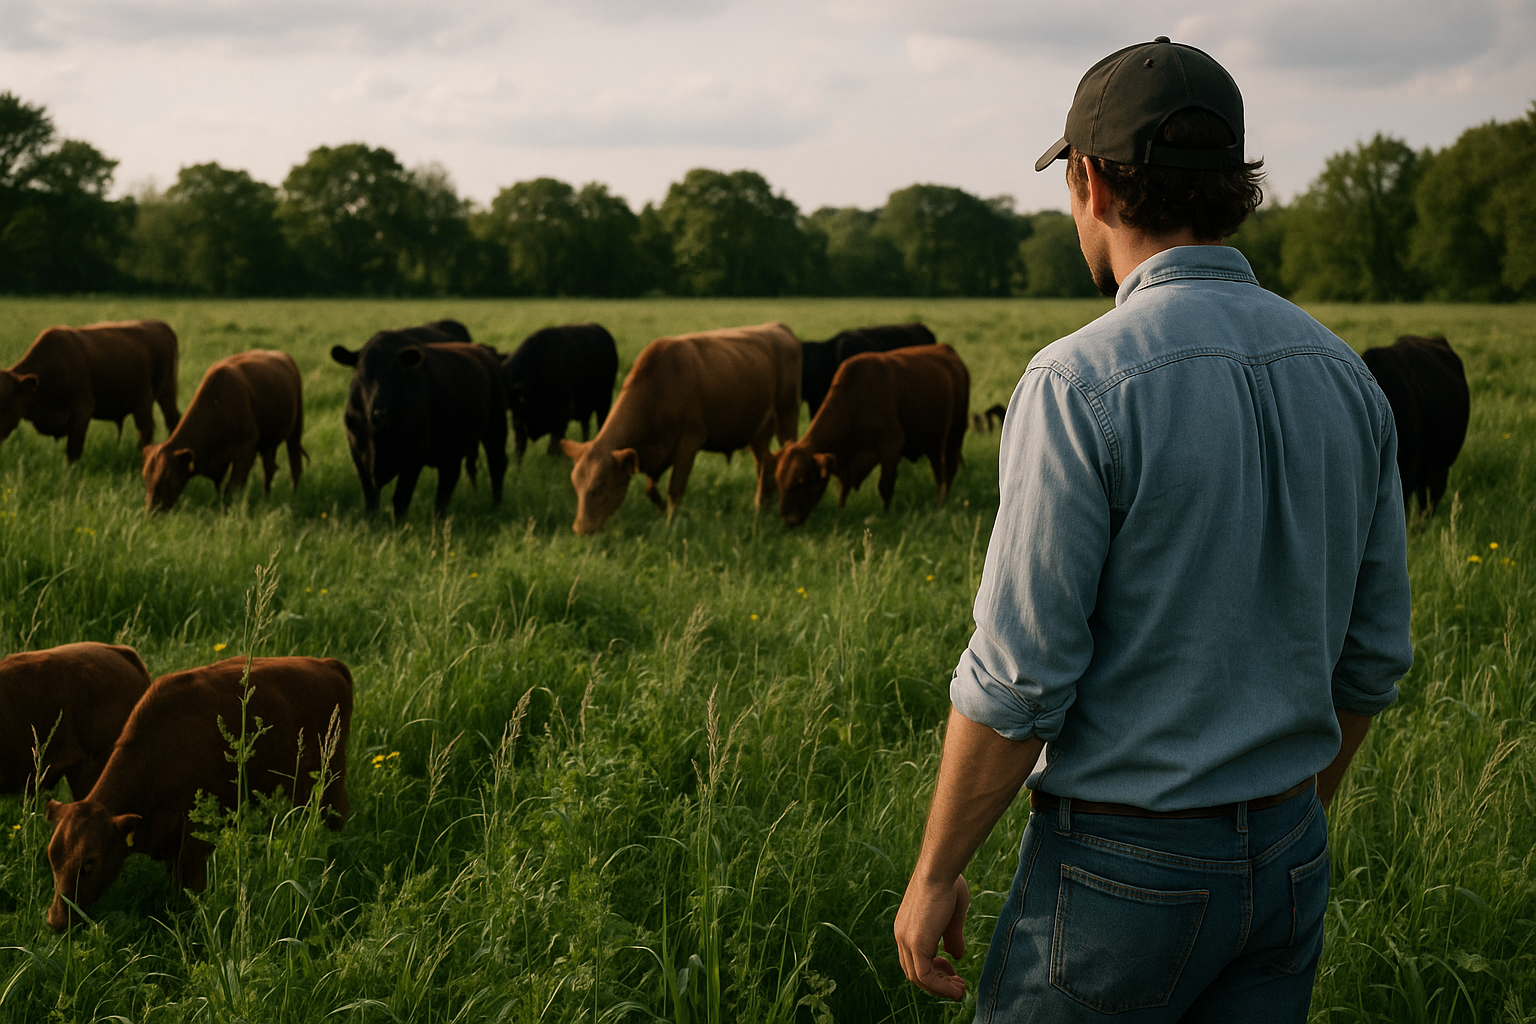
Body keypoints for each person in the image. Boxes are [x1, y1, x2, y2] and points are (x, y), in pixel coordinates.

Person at [893, 37, 1413, 1023]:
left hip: (1122, 868)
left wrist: (934, 874)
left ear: (1090, 181)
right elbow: (1374, 654)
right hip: (1293, 850)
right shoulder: (1349, 378)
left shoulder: (1076, 382)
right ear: (1235, 187)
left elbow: (1017, 679)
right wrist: (1280, 817)